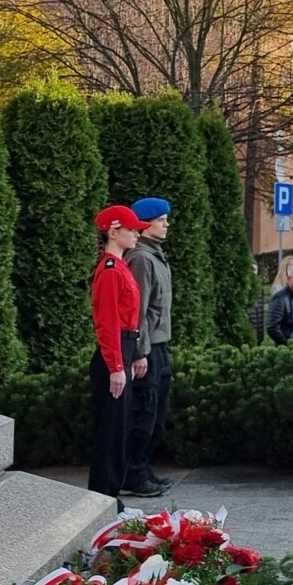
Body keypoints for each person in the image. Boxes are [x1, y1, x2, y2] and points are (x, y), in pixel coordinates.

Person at [86, 205, 145, 498]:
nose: (136, 234)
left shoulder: (120, 266)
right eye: (131, 229)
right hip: (115, 350)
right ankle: (102, 497)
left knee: (120, 429)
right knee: (110, 432)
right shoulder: (110, 270)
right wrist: (116, 366)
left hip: (124, 347)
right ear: (113, 231)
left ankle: (112, 496)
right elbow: (108, 322)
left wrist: (131, 355)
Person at [125, 198, 175, 496]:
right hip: (148, 348)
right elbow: (137, 310)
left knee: (156, 414)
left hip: (159, 344)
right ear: (145, 224)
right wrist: (139, 352)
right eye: (161, 219)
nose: (166, 224)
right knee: (144, 412)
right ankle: (132, 474)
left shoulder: (155, 254)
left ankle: (142, 468)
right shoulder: (141, 258)